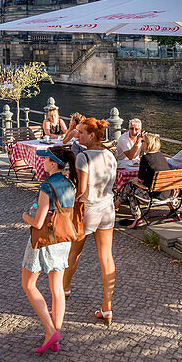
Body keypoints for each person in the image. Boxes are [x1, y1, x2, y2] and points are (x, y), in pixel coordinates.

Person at [20, 147, 77, 354]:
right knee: (57, 289)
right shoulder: (71, 182)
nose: (42, 162)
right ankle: (54, 337)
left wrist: (25, 215)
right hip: (63, 240)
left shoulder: (47, 186)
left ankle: (50, 329)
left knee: (28, 284)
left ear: (53, 163)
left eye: (45, 159)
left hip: (44, 241)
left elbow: (38, 222)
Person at [63, 117, 117, 325]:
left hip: (89, 209)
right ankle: (107, 306)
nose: (78, 136)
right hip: (108, 208)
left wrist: (70, 202)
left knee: (74, 252)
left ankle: (64, 289)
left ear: (92, 135)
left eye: (81, 133)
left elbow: (82, 189)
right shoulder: (110, 155)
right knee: (106, 257)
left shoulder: (83, 157)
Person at [125, 133, 172, 227]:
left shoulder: (145, 158)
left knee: (131, 188)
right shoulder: (161, 156)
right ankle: (118, 202)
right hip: (167, 193)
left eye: (142, 141)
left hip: (153, 194)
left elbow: (140, 179)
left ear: (147, 144)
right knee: (131, 185)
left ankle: (137, 219)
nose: (140, 143)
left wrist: (135, 180)